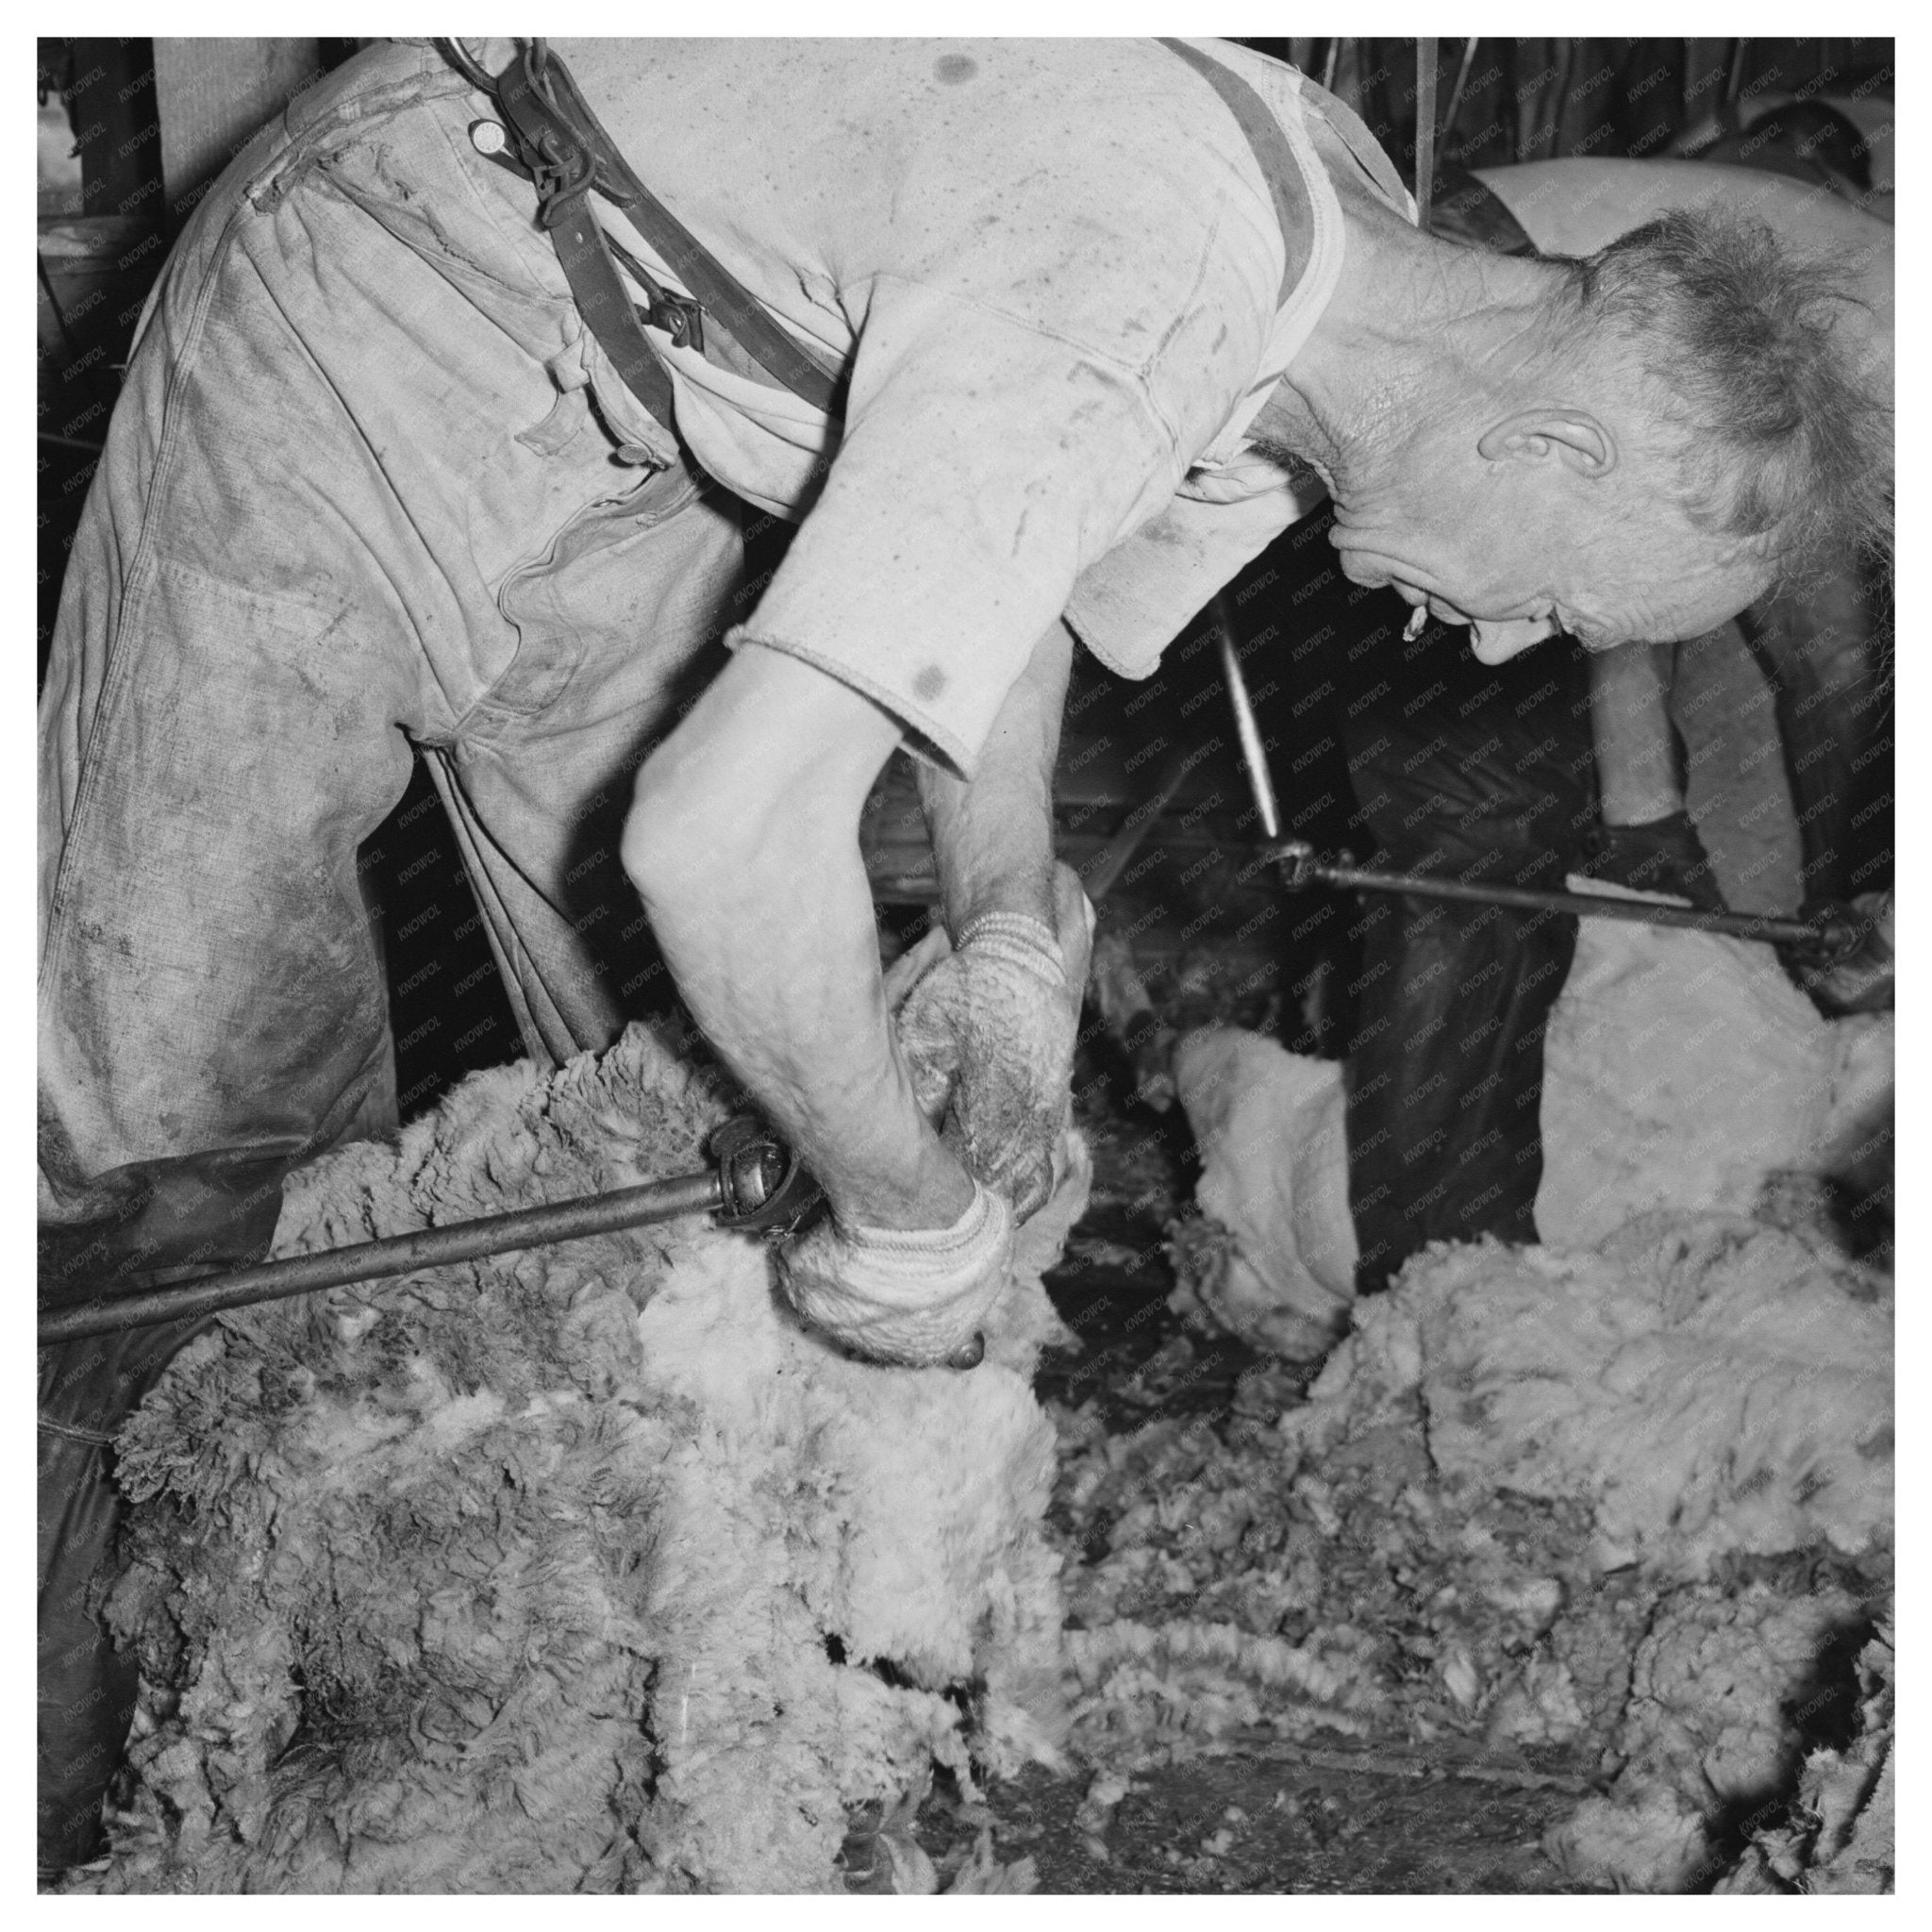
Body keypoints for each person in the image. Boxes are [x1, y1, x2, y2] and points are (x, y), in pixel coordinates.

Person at [38, 37, 1884, 1871]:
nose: (1501, 655)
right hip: (391, 290)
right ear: (1547, 442)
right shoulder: (1140, 284)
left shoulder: (1345, 313)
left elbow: (1018, 611)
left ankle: (599, 1724)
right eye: (1554, 605)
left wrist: (1007, 933)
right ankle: (92, 1777)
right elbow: (717, 838)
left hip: (663, 430)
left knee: (678, 1153)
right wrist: (907, 1205)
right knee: (187, 1137)